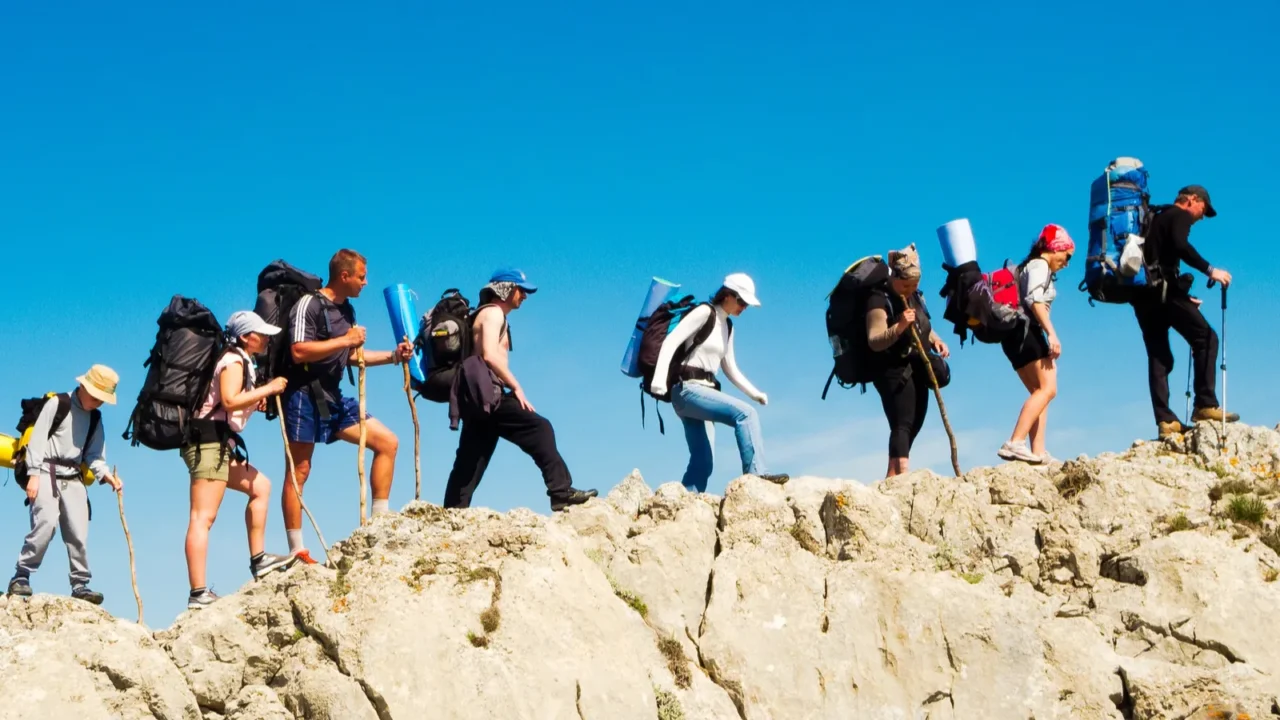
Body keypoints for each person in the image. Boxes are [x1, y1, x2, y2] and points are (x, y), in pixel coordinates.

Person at [282, 249, 413, 554]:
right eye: (362, 276)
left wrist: (393, 356)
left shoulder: (348, 312)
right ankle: (296, 551)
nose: (365, 283)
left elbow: (351, 356)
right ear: (344, 276)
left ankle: (380, 523)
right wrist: (346, 340)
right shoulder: (309, 304)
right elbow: (298, 351)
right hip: (303, 394)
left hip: (334, 395)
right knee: (299, 470)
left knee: (387, 443)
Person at [443, 268, 597, 511]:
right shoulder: (493, 314)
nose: (524, 295)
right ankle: (560, 492)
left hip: (476, 398)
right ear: (505, 288)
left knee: (470, 461)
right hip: (487, 395)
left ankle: (452, 512)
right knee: (540, 428)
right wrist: (516, 387)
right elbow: (490, 355)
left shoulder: (485, 314)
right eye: (520, 289)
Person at [184, 311, 298, 609]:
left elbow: (232, 404)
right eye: (261, 333)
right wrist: (268, 389)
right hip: (208, 443)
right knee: (202, 517)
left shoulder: (239, 359)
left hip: (218, 443)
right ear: (247, 337)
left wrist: (255, 400)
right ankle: (198, 593)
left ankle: (259, 560)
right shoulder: (233, 360)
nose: (267, 338)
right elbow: (229, 400)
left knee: (261, 487)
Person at [649, 273, 789, 492]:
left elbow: (730, 368)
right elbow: (671, 341)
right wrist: (658, 381)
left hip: (704, 393)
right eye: (741, 301)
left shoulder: (728, 327)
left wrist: (755, 393)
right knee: (746, 414)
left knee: (703, 461)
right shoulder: (704, 312)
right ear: (727, 295)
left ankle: (685, 504)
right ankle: (756, 476)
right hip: (687, 390)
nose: (744, 307)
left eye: (747, 304)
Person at [6, 365, 123, 604]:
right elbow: (38, 439)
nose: (99, 402)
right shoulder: (59, 403)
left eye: (103, 399)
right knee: (45, 524)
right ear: (83, 386)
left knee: (78, 532)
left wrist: (105, 475)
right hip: (45, 471)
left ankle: (80, 584)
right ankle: (21, 575)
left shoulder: (95, 418)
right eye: (96, 396)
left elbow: (94, 455)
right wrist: (34, 474)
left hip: (73, 477)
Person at [1130, 185, 1236, 439]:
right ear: (1192, 200)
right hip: (1163, 293)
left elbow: (1158, 257)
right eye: (1203, 209)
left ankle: (1165, 421)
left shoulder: (1157, 217)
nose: (1201, 216)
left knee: (1160, 357)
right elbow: (1180, 246)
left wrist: (1183, 296)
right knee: (1206, 338)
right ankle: (1205, 404)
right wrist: (1211, 270)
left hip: (1143, 296)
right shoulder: (1179, 215)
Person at [865, 245, 950, 477]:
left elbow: (922, 325)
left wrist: (936, 340)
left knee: (916, 420)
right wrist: (900, 325)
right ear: (895, 277)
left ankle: (891, 477)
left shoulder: (916, 296)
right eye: (906, 285)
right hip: (891, 369)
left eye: (915, 285)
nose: (910, 289)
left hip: (916, 364)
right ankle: (903, 477)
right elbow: (874, 339)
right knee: (902, 422)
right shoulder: (878, 298)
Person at [997, 224, 1072, 464]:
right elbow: (1035, 300)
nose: (1067, 263)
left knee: (1041, 391)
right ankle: (1015, 442)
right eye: (1066, 255)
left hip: (1013, 335)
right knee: (1049, 388)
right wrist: (1052, 333)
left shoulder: (1029, 266)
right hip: (1027, 331)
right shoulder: (1039, 265)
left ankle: (1038, 452)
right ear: (1055, 248)